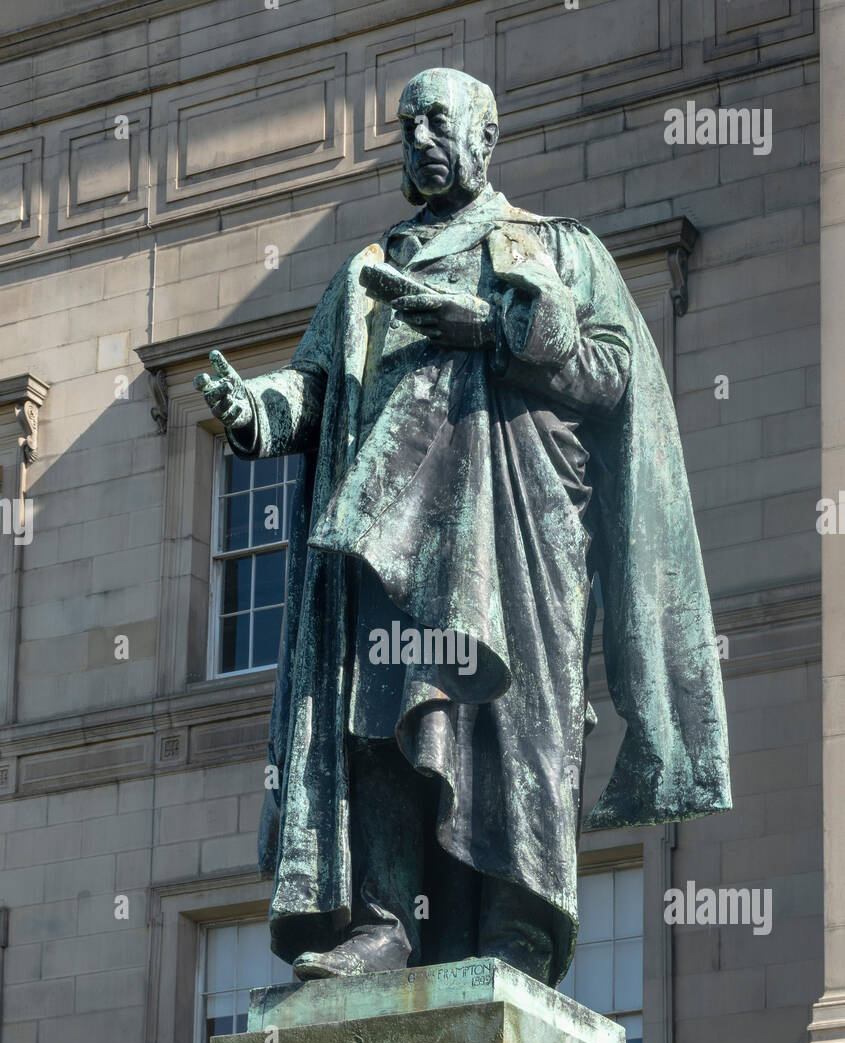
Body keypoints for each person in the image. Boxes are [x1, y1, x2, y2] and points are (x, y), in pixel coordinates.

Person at [194, 67, 730, 986]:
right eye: (406, 127)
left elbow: (610, 377)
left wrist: (492, 326)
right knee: (383, 726)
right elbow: (317, 389)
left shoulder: (558, 250)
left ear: (486, 138)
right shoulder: (366, 274)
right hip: (386, 550)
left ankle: (515, 930)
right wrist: (256, 410)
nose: (420, 141)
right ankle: (384, 926)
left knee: (511, 728)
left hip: (516, 540)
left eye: (438, 122)